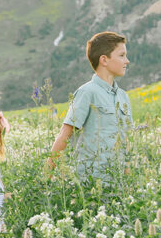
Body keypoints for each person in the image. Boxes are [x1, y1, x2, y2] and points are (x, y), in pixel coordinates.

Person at [47, 31, 134, 182]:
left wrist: (128, 179)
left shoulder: (123, 97)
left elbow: (127, 141)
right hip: (89, 183)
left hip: (118, 183)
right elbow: (64, 135)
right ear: (104, 60)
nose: (127, 61)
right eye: (121, 55)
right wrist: (45, 177)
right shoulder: (87, 92)